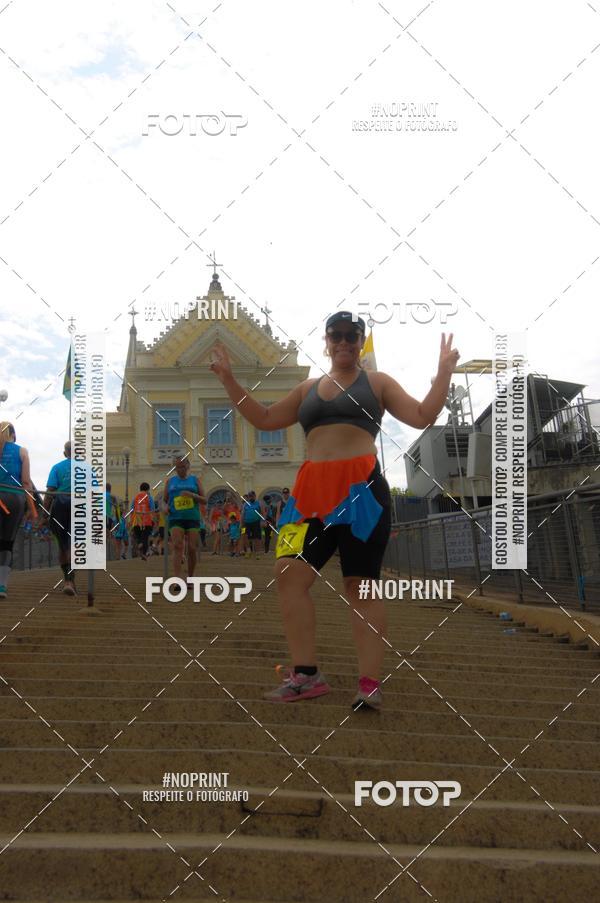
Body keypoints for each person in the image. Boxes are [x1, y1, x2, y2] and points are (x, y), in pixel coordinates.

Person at [210, 316, 459, 710]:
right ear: (326, 342)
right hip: (310, 495)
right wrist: (228, 379)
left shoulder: (377, 383)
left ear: (360, 342)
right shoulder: (307, 389)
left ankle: (369, 684)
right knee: (288, 572)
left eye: (352, 336)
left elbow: (421, 415)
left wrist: (443, 374)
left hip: (361, 491)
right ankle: (306, 675)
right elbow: (265, 418)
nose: (344, 342)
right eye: (336, 336)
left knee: (360, 585)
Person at [0, 422, 34, 598]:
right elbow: (26, 482)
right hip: (14, 498)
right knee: (7, 543)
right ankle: (2, 586)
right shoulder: (22, 451)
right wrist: (32, 509)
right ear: (13, 435)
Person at [164, 456, 206, 582]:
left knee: (192, 548)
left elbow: (204, 500)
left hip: (192, 517)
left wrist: (192, 495)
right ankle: (177, 578)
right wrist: (164, 507)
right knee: (177, 545)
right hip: (175, 517)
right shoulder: (170, 481)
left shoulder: (195, 480)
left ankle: (191, 577)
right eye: (178, 467)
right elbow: (164, 501)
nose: (180, 469)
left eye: (183, 467)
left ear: (188, 466)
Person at [43, 440, 75, 595]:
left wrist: (44, 514)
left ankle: (67, 580)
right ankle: (71, 581)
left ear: (64, 453)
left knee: (63, 546)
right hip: (80, 507)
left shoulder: (56, 467)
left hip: (60, 507)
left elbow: (50, 492)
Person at [131, 483, 155, 560]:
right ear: (148, 489)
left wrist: (131, 521)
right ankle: (144, 553)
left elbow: (132, 509)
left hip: (136, 521)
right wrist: (153, 520)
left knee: (138, 537)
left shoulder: (135, 498)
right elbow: (152, 509)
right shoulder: (149, 497)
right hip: (146, 521)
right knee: (145, 537)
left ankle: (139, 544)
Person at [241, 490, 263, 558]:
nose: (251, 497)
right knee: (246, 537)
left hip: (256, 522)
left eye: (252, 496)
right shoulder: (245, 504)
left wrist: (263, 521)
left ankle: (257, 553)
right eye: (250, 496)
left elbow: (262, 512)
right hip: (247, 523)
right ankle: (248, 551)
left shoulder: (259, 503)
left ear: (255, 496)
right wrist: (241, 523)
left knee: (257, 538)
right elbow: (243, 514)